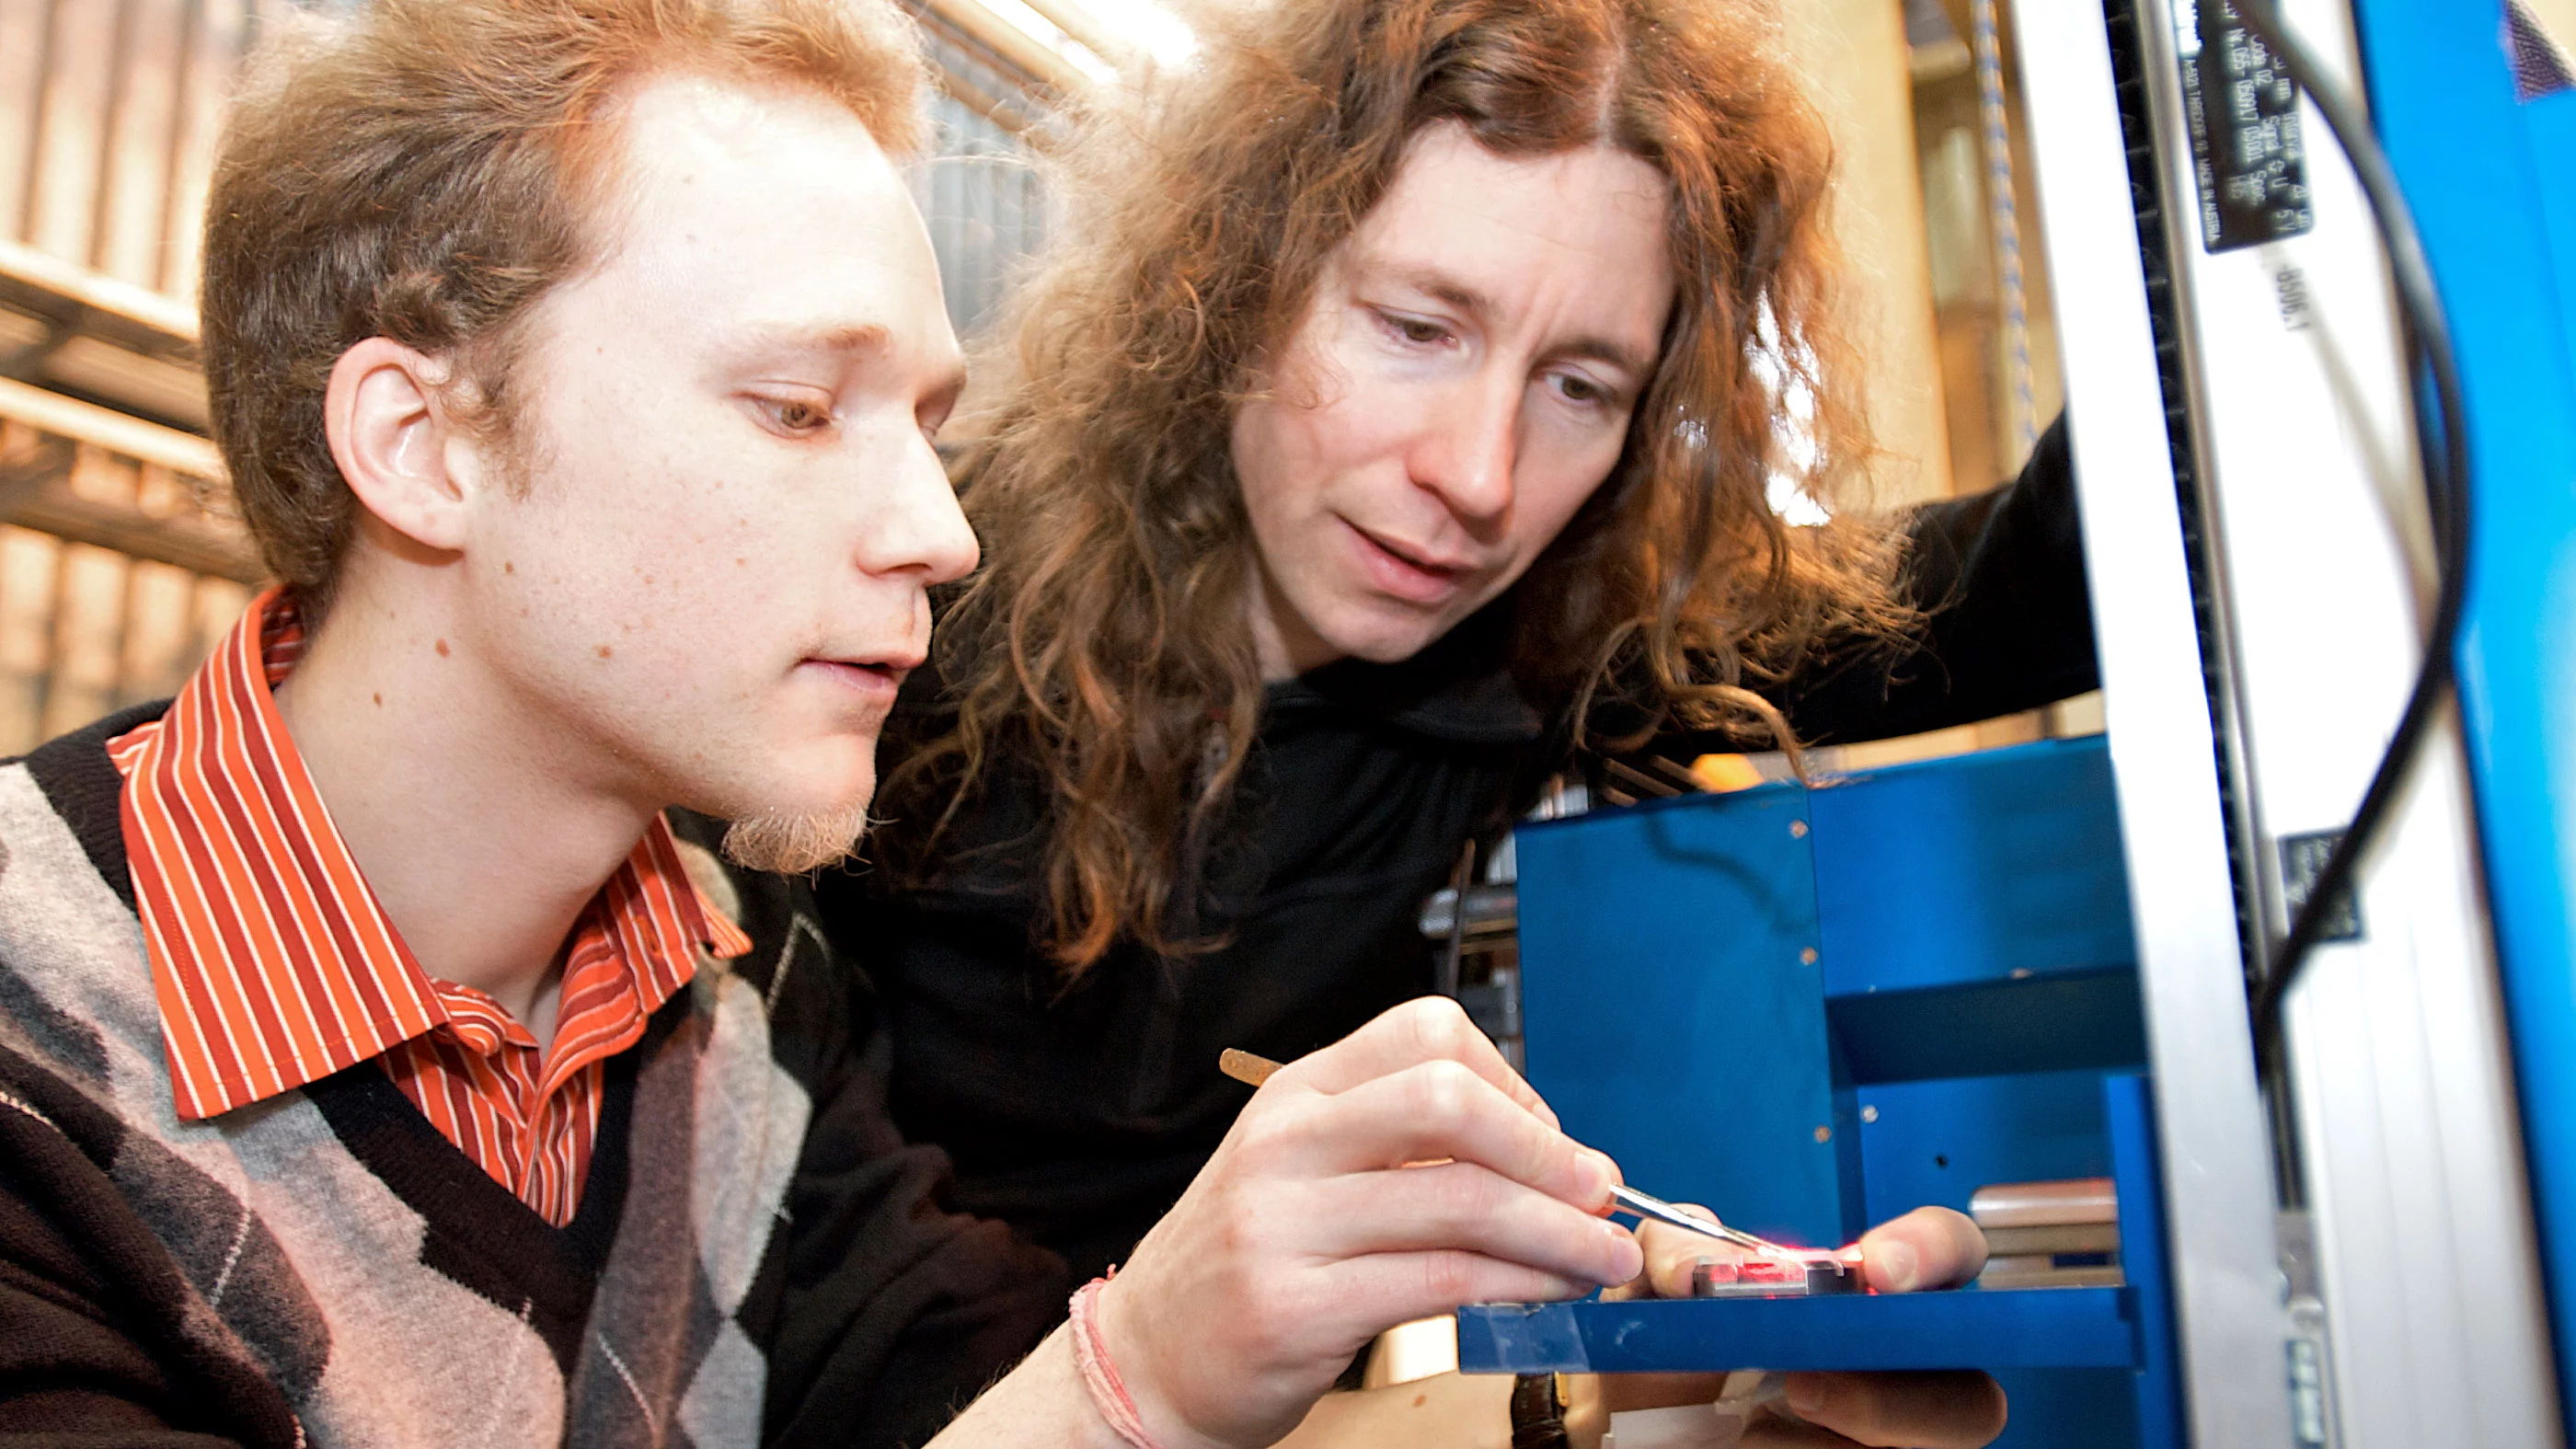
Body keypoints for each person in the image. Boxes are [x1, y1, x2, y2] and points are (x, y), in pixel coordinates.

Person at [0, 4, 1811, 1447]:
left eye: (921, 423)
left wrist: (1646, 1414)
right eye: (800, 408)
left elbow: (962, 1389)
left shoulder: (727, 1019)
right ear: (421, 444)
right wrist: (1140, 1383)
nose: (941, 535)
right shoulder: (43, 1092)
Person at [823, 0, 2089, 1438]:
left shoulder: (1542, 641)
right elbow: (814, 1259)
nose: (1482, 477)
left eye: (1578, 384)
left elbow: (2014, 589)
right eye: (1419, 327)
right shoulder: (902, 610)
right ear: (1237, 275)